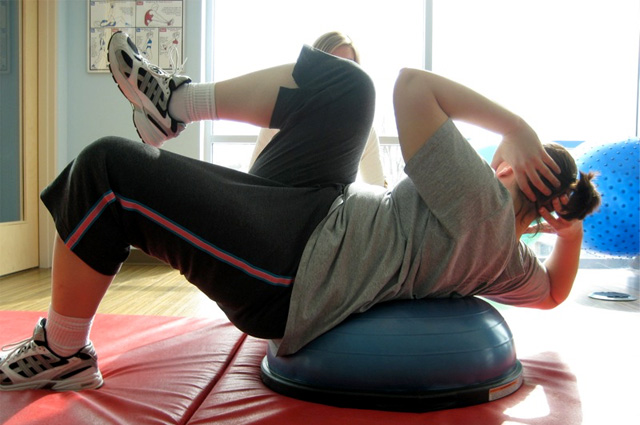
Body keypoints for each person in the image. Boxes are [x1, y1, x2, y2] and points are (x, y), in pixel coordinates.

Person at [0, 31, 600, 392]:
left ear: (515, 168)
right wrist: (568, 232)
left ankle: (64, 350)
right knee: (349, 87)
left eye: (512, 151)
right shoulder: (510, 255)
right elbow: (552, 292)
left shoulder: (482, 203)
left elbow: (413, 85)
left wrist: (515, 124)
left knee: (107, 168)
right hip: (319, 210)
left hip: (294, 269)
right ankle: (177, 103)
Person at [249, 31, 386, 187]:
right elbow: (252, 182)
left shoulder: (365, 132)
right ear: (315, 69)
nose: (343, 73)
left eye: (349, 65)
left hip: (331, 210)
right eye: (333, 64)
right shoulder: (283, 118)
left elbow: (377, 187)